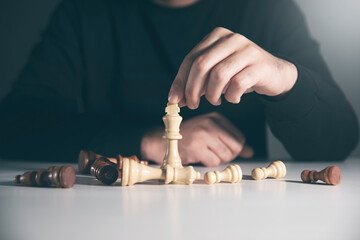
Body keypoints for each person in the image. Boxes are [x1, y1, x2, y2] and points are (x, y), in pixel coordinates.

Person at [0, 0, 358, 166]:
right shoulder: (83, 12)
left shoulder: (266, 9)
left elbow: (339, 141)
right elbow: (15, 126)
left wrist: (285, 78)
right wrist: (145, 141)